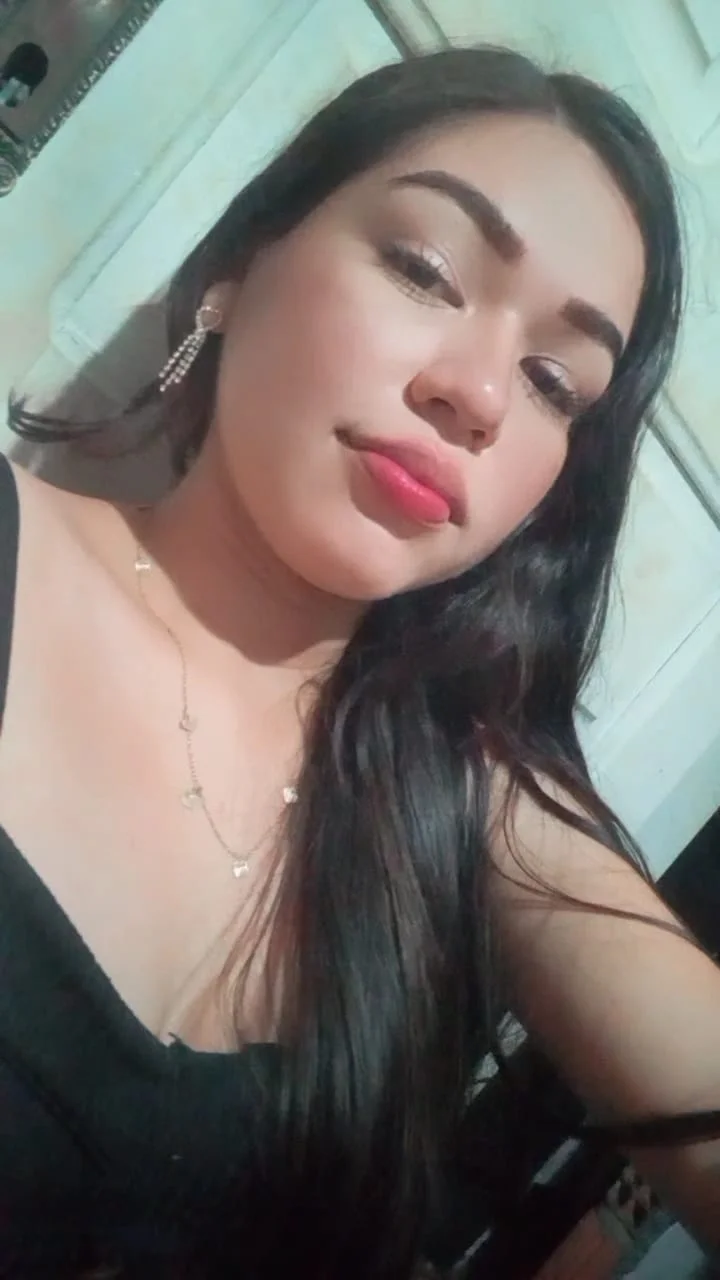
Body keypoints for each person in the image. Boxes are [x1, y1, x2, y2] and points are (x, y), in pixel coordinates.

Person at [2, 44, 720, 1280]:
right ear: (241, 263)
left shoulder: (451, 811)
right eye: (425, 268)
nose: (480, 393)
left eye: (556, 382)